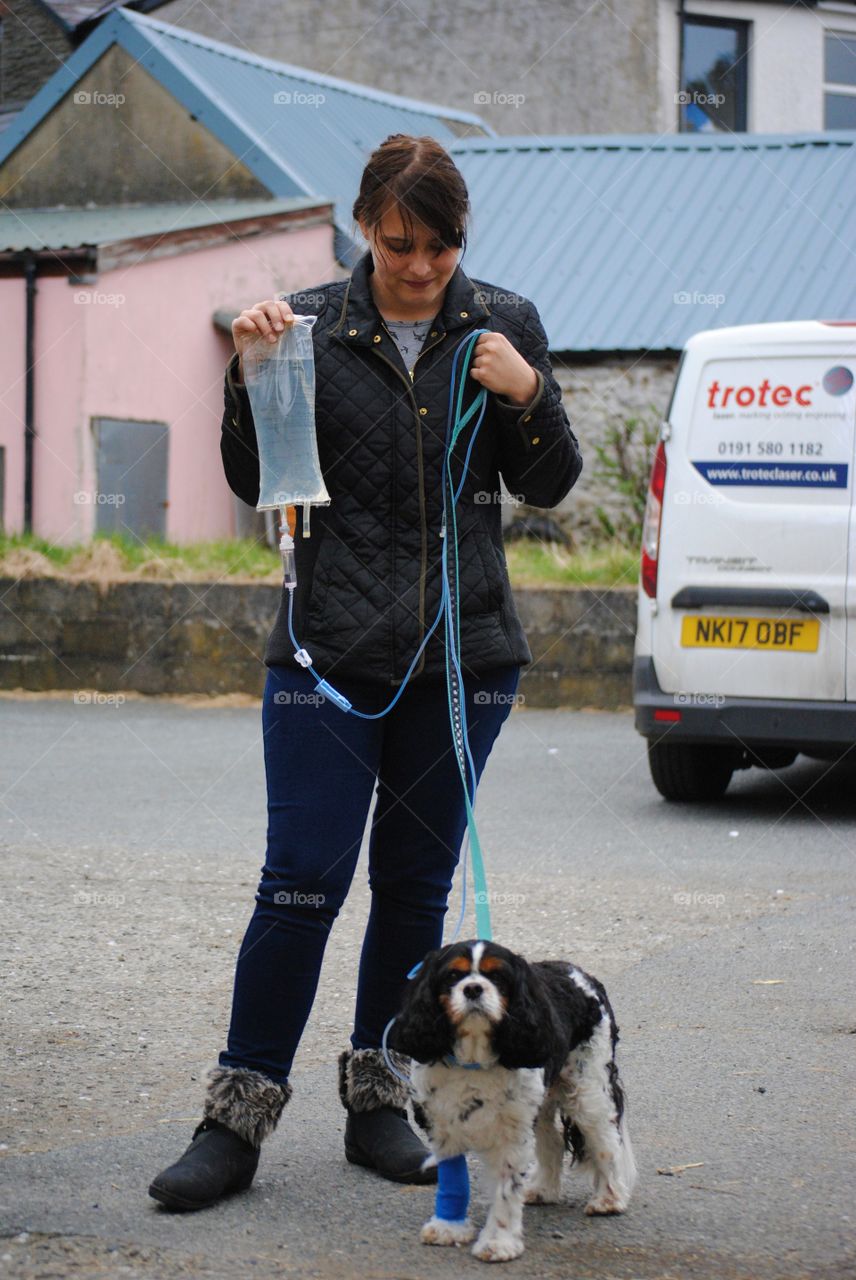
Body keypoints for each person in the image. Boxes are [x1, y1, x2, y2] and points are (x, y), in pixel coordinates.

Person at [148, 133, 582, 1212]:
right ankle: (235, 1119)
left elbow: (548, 484)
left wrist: (529, 393)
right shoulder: (302, 326)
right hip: (325, 654)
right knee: (301, 880)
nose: (421, 267)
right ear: (363, 229)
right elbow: (254, 477)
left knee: (413, 887)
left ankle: (380, 1103)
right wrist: (248, 374)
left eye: (441, 246)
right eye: (399, 245)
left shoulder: (504, 323)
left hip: (463, 655)